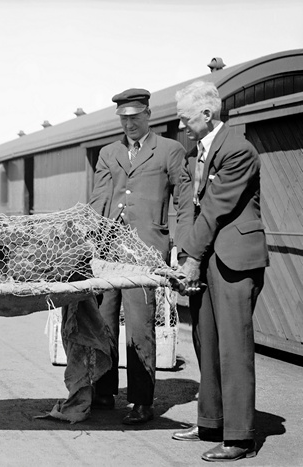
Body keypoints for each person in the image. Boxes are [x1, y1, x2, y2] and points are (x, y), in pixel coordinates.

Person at [171, 81, 268, 462]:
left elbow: (214, 208)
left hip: (234, 260)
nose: (181, 126)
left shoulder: (238, 150)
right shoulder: (198, 151)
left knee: (233, 348)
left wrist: (191, 257)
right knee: (205, 343)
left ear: (207, 115)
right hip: (207, 255)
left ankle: (240, 438)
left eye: (185, 118)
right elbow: (189, 207)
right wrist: (184, 254)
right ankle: (210, 421)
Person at [88, 88, 187, 425]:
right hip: (108, 251)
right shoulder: (108, 152)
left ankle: (142, 400)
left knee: (140, 326)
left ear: (148, 114)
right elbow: (99, 200)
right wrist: (89, 243)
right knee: (102, 321)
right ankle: (103, 391)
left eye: (134, 117)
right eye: (123, 119)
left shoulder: (170, 151)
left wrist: (183, 248)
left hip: (143, 253)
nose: (128, 124)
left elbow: (184, 203)